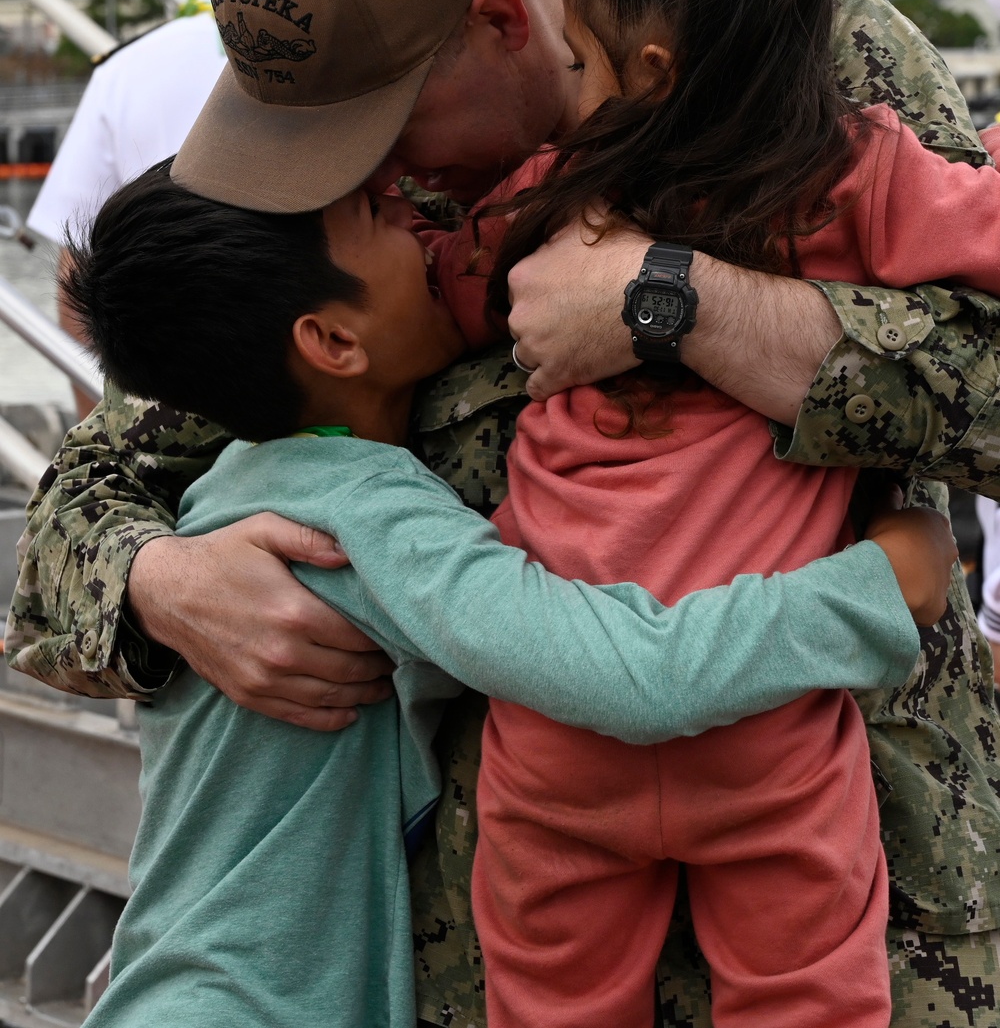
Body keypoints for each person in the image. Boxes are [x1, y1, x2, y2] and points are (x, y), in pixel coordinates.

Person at [7, 0, 1000, 1026]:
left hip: (850, 915)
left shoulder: (777, 33)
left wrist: (674, 303)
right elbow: (85, 498)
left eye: (374, 127)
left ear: (499, 21)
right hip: (523, 943)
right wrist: (160, 582)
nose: (355, 179)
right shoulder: (334, 188)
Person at [60, 159, 947, 1027]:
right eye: (378, 218)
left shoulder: (236, 485)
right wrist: (876, 586)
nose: (419, 220)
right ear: (333, 341)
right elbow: (635, 676)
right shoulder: (355, 513)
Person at [421, 0, 1000, 1027]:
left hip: (556, 722)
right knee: (809, 997)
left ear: (646, 67)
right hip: (774, 719)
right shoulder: (853, 173)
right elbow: (980, 229)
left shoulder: (553, 190)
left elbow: (443, 294)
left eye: (574, 67)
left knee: (551, 1001)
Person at [27, 0, 230, 414]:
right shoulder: (371, 60)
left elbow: (76, 269)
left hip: (163, 412)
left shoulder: (128, 68)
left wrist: (103, 432)